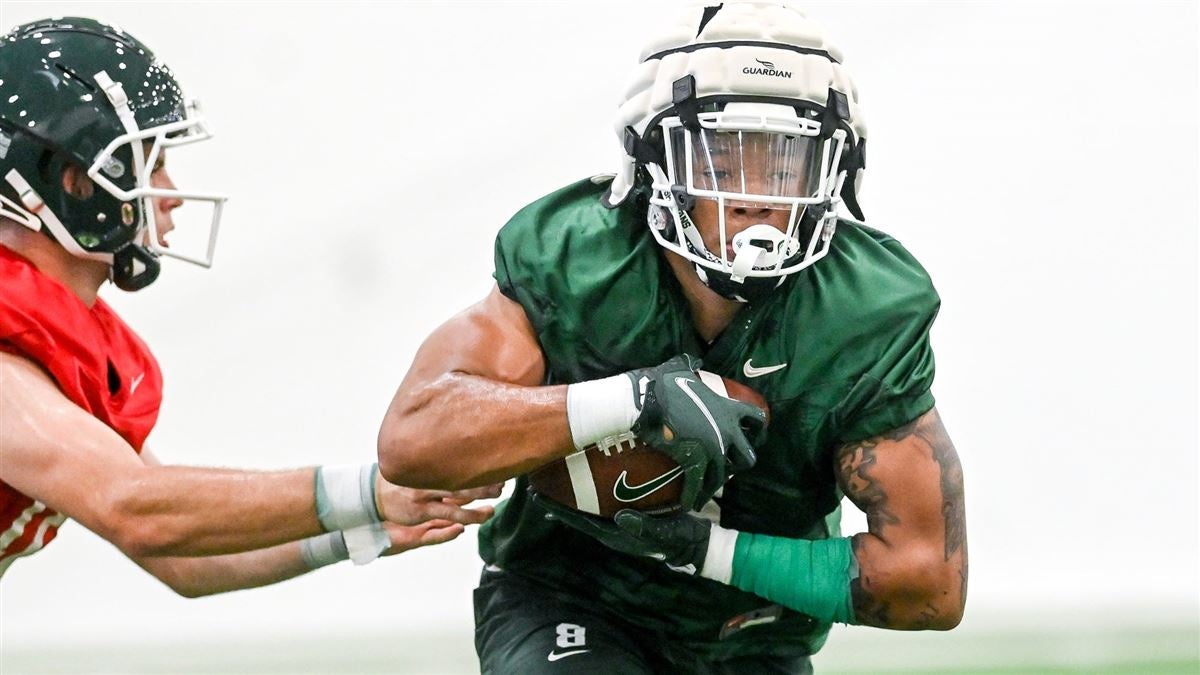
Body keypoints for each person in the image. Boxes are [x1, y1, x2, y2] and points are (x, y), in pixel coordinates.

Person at [377, 2, 966, 672]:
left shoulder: (865, 308)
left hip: (753, 631)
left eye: (784, 162)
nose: (754, 196)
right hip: (572, 597)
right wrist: (630, 400)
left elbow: (928, 579)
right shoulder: (582, 261)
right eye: (721, 156)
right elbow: (414, 437)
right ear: (652, 159)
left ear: (837, 170)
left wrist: (703, 548)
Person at [0, 17, 499, 594]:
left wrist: (365, 524)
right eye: (151, 161)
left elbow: (186, 563)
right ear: (76, 183)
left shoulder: (59, 335)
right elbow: (136, 510)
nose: (172, 192)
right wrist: (368, 491)